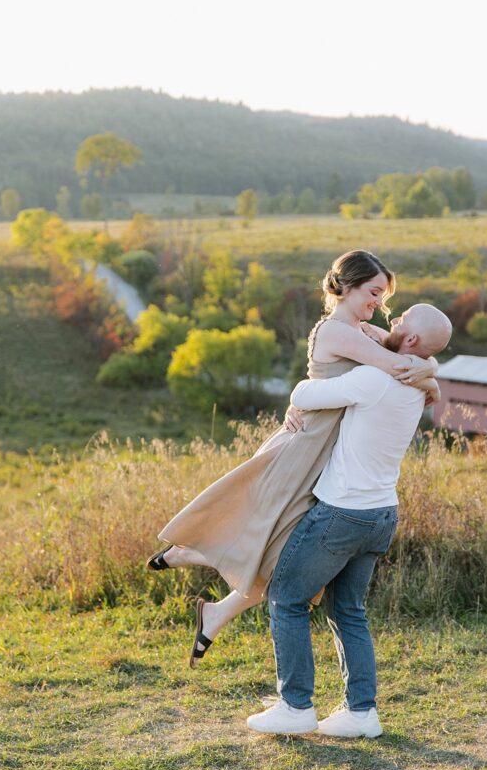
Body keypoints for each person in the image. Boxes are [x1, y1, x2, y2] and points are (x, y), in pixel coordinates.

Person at [147, 250, 440, 667]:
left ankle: (212, 610)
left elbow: (421, 352)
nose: (379, 303)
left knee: (284, 561)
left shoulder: (364, 331)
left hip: (324, 456)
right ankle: (190, 552)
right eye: (374, 292)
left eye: (383, 295)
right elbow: (399, 365)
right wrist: (431, 379)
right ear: (348, 286)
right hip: (302, 448)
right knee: (273, 548)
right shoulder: (337, 332)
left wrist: (431, 372)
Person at [246, 304, 453, 737]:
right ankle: (361, 713)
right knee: (348, 611)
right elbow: (408, 358)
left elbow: (305, 395)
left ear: (411, 341)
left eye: (399, 323)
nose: (391, 324)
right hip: (381, 513)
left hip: (342, 512)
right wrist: (414, 359)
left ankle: (295, 705)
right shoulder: (417, 385)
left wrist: (311, 381)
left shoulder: (375, 380)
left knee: (287, 598)